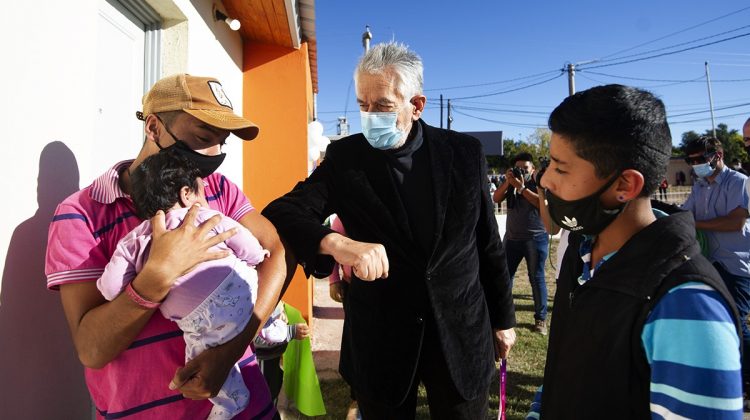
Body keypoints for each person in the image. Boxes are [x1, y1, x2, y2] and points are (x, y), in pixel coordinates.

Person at [263, 42, 516, 419]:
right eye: (363, 105)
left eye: (382, 105)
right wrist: (337, 243)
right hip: (382, 339)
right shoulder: (347, 158)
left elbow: (487, 243)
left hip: (461, 333)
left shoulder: (463, 153)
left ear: (416, 105)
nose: (370, 117)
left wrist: (503, 320)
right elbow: (284, 210)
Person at [45, 74, 285, 419]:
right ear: (154, 127)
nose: (213, 155)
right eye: (204, 138)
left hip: (245, 406)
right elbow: (91, 349)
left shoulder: (217, 188)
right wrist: (158, 274)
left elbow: (274, 251)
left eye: (222, 142)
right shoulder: (81, 214)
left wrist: (230, 352)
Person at [527, 84, 742, 419]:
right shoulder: (582, 255)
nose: (544, 181)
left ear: (625, 185)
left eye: (560, 167)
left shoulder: (687, 305)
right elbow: (563, 372)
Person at [96, 150, 279, 419]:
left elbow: (109, 288)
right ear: (186, 194)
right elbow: (247, 244)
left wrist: (141, 274)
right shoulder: (206, 216)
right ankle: (272, 324)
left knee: (196, 357)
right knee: (255, 279)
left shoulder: (137, 238)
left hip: (196, 323)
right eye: (200, 192)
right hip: (241, 295)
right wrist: (256, 256)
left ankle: (227, 403)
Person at [682, 135, 750, 397]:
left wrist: (694, 224)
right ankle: (727, 377)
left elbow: (734, 222)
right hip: (708, 263)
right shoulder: (699, 186)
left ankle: (745, 382)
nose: (696, 164)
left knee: (736, 324)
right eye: (691, 160)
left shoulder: (740, 182)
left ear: (717, 156)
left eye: (700, 159)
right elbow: (686, 213)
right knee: (714, 322)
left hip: (737, 265)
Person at [493, 152, 549, 334]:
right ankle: (504, 316)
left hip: (535, 239)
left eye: (526, 168)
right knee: (505, 277)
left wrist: (522, 188)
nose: (522, 171)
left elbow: (542, 204)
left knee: (536, 278)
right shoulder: (511, 183)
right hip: (511, 239)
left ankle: (541, 320)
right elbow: (496, 199)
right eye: (519, 168)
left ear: (533, 169)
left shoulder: (539, 184)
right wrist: (510, 183)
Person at [253, 301, 310, 407]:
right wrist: (289, 332)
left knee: (273, 388)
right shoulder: (250, 296)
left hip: (272, 354)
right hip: (261, 358)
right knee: (263, 397)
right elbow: (257, 333)